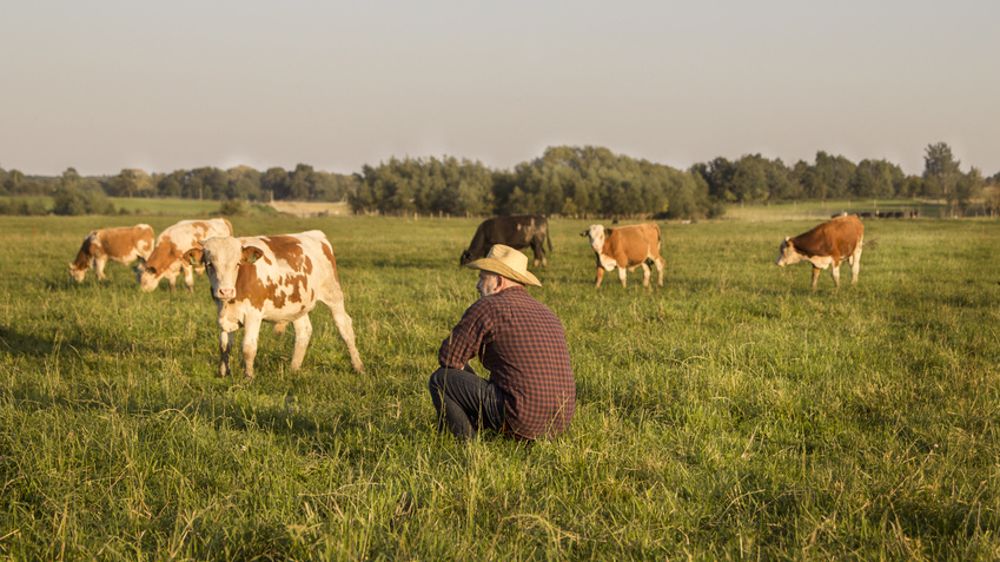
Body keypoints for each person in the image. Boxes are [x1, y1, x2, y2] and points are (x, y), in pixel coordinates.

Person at [429, 244, 575, 441]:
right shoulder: (547, 312)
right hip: (559, 424)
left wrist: (465, 367)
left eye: (482, 278)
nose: (478, 285)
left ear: (498, 281)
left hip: (521, 419)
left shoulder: (488, 306)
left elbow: (449, 358)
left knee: (441, 379)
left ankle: (467, 444)